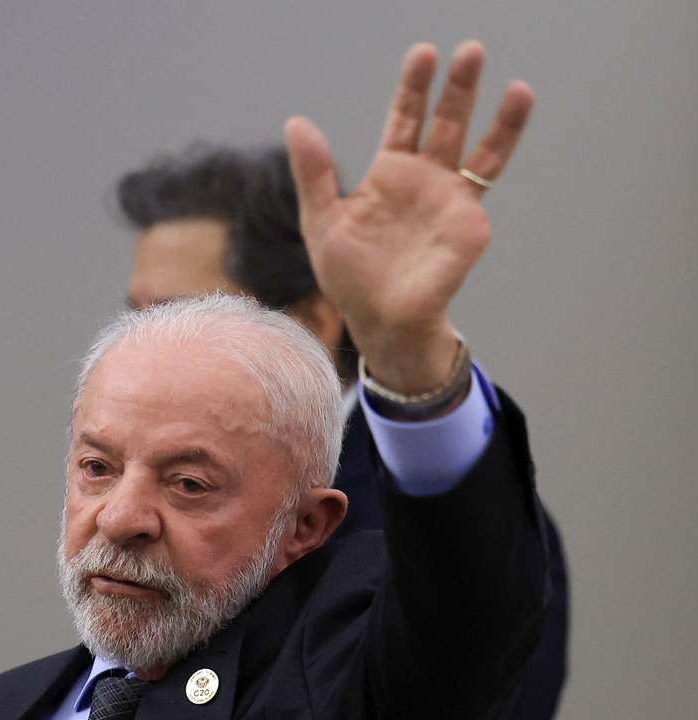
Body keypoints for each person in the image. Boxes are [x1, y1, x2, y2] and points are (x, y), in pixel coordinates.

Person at [0, 40, 552, 719]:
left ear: (306, 525)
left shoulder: (348, 655)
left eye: (189, 483)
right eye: (96, 467)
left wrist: (407, 351)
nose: (119, 518)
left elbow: (463, 625)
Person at [115, 84, 568, 720]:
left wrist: (411, 358)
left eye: (181, 315)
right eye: (134, 317)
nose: (139, 347)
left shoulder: (431, 532)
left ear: (309, 323)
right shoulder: (122, 506)